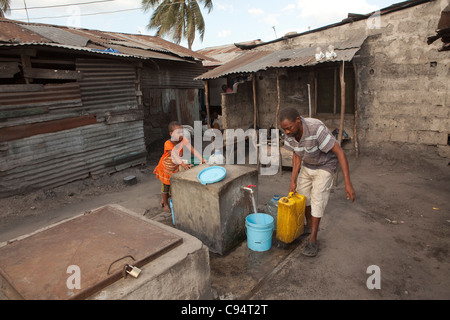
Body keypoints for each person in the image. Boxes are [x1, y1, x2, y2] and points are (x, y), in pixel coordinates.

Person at [279, 107, 355, 257]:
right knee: (302, 197)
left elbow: (339, 152)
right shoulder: (289, 133)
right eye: (284, 129)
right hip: (307, 164)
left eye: (289, 128)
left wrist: (348, 183)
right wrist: (293, 180)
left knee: (317, 200)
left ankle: (313, 239)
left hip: (325, 166)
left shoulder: (316, 128)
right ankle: (308, 226)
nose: (287, 132)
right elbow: (296, 155)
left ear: (298, 121)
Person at [154, 121, 206, 212]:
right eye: (178, 132)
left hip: (174, 167)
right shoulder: (168, 144)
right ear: (171, 134)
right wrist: (183, 165)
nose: (181, 134)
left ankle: (166, 199)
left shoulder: (183, 140)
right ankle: (165, 204)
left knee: (173, 185)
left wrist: (201, 159)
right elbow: (174, 156)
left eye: (182, 131)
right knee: (165, 187)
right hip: (166, 168)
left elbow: (192, 149)